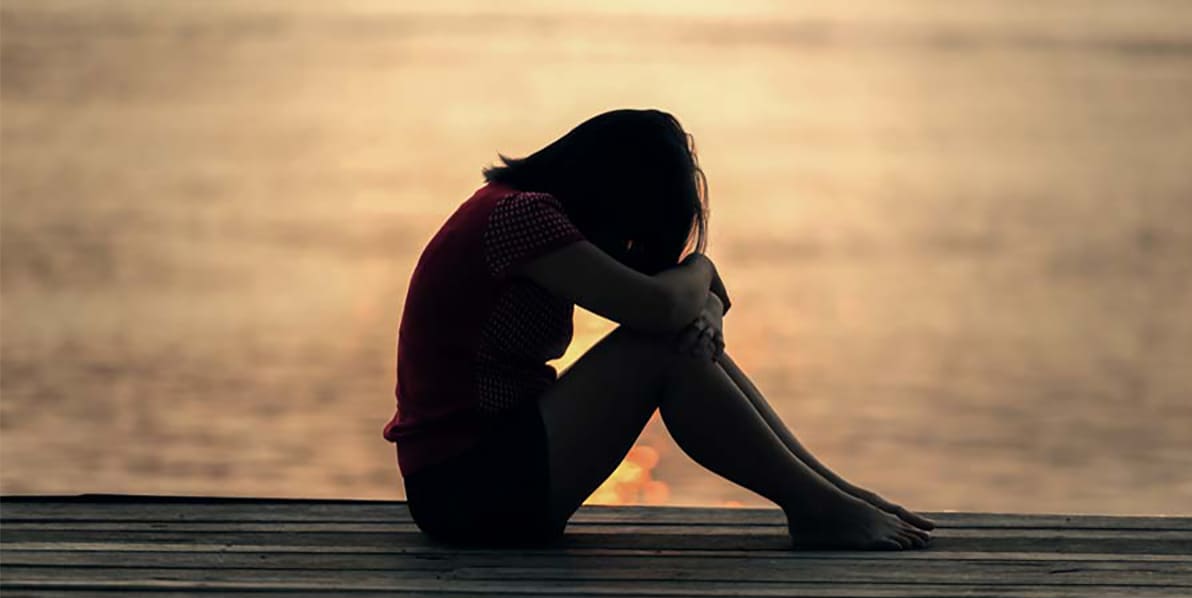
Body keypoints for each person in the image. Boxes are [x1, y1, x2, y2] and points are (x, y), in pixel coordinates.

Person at [383, 109, 934, 549]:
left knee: (671, 340)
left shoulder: (519, 213)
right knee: (658, 347)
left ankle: (830, 495)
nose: (630, 246)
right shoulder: (521, 218)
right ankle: (819, 507)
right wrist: (702, 269)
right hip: (466, 489)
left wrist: (706, 309)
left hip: (485, 476)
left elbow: (682, 305)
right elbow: (661, 307)